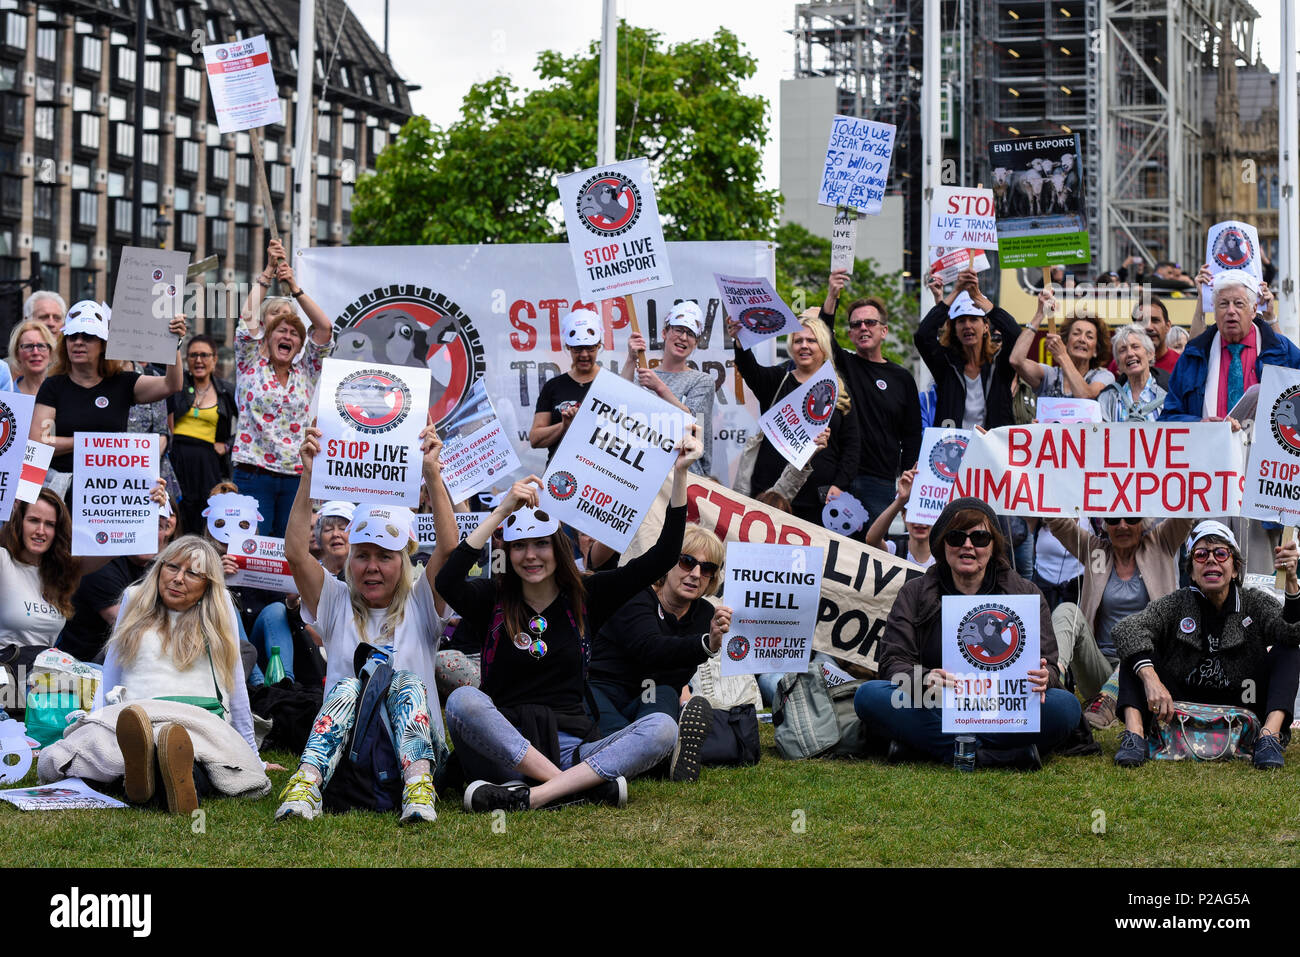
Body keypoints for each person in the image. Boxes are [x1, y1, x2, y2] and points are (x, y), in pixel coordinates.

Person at [436, 426, 702, 813]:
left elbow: (662, 558)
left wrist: (680, 474)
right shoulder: (492, 597)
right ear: (508, 554)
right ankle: (577, 788)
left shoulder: (587, 595)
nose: (531, 556)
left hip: (575, 747)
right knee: (463, 700)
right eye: (520, 546)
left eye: (541, 543)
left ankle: (535, 795)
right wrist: (501, 511)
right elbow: (447, 580)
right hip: (502, 747)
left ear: (558, 547)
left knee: (663, 727)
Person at [273, 420, 454, 825]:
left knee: (403, 680)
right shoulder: (335, 601)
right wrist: (307, 475)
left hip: (420, 758)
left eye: (385, 556)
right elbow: (296, 553)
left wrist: (431, 473)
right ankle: (306, 785)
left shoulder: (421, 600)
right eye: (363, 555)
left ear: (402, 561)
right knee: (350, 686)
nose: (372, 567)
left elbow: (449, 548)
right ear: (349, 560)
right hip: (350, 758)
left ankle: (418, 788)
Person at [853, 497, 1081, 768]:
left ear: (993, 545)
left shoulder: (1026, 593)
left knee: (1065, 706)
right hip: (936, 703)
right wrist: (925, 679)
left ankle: (933, 748)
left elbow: (1050, 667)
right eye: (956, 537)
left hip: (1002, 708)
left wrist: (1046, 677)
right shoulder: (914, 593)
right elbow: (892, 664)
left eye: (980, 538)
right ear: (942, 543)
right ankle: (1000, 757)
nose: (968, 546)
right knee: (869, 696)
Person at [94, 535, 265, 812]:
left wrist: (252, 756)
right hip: (138, 718)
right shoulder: (134, 597)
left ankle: (143, 779)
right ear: (159, 567)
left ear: (208, 585)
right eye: (172, 567)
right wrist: (98, 724)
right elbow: (111, 673)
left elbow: (234, 683)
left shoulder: (220, 603)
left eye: (193, 574)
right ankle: (163, 776)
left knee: (188, 753)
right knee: (111, 751)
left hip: (198, 722)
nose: (178, 578)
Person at [1111, 521, 1300, 770]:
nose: (1211, 560)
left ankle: (1269, 738)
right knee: (1136, 651)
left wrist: (1292, 582)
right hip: (1180, 701)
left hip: (1244, 698)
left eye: (1221, 553)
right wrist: (1151, 679)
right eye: (1201, 555)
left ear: (1235, 569)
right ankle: (1135, 736)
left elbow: (1291, 631)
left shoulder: (1254, 602)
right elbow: (1127, 629)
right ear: (1191, 571)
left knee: (1289, 649)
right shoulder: (1175, 604)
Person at [587, 523, 732, 782]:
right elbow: (648, 649)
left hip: (651, 692)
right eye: (687, 562)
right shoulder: (634, 594)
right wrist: (705, 645)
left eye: (707, 568)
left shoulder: (705, 615)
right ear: (666, 562)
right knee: (618, 736)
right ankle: (661, 758)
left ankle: (655, 752)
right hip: (604, 688)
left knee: (665, 691)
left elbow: (675, 676)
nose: (696, 574)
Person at [1044, 514, 1194, 728]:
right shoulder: (1095, 550)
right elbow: (1058, 523)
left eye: (1131, 519)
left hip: (1148, 671)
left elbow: (1186, 515)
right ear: (1105, 524)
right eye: (1113, 519)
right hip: (1101, 669)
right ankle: (1051, 680)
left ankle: (1109, 701)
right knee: (1068, 610)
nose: (1122, 525)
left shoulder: (1161, 543)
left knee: (1137, 631)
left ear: (1144, 522)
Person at [232, 239, 334, 537]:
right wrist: (268, 272)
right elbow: (247, 318)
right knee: (252, 552)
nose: (287, 334)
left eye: (294, 333)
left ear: (301, 344)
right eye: (280, 329)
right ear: (266, 334)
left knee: (289, 553)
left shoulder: (307, 370)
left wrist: (293, 286)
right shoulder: (249, 362)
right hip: (253, 473)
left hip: (295, 477)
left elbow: (324, 328)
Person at [729, 312, 860, 527]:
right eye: (798, 340)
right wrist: (739, 338)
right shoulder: (776, 381)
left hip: (819, 500)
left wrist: (839, 485)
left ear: (824, 347)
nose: (804, 346)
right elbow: (748, 367)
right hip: (771, 495)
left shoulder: (840, 391)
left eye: (811, 340)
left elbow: (852, 446)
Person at [31, 301, 186, 478]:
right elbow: (39, 441)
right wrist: (88, 442)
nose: (78, 342)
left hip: (108, 488)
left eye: (88, 336)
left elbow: (172, 384)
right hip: (62, 485)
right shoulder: (53, 386)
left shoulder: (122, 382)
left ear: (103, 344)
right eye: (72, 336)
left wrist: (174, 344)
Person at [819, 270, 923, 525]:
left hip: (880, 480)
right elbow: (823, 331)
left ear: (884, 330)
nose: (863, 328)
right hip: (839, 478)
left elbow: (911, 436)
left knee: (875, 551)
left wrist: (907, 481)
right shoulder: (844, 363)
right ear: (850, 333)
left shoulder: (902, 378)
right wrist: (833, 295)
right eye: (855, 324)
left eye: (870, 323)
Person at [1162, 270, 1300, 423]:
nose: (1231, 311)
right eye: (1223, 304)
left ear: (1254, 310)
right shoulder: (1193, 356)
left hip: (1266, 445)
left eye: (1239, 304)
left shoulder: (1283, 351)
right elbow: (1168, 417)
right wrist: (1198, 425)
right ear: (1214, 311)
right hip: (1210, 444)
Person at [56, 496, 179, 663]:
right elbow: (128, 625)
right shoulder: (102, 567)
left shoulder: (157, 566)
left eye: (157, 527)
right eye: (142, 525)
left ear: (166, 534)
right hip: (83, 666)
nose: (148, 535)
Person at [915, 269, 1022, 431]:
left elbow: (1014, 334)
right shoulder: (946, 366)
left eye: (973, 319)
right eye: (961, 321)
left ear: (986, 326)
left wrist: (978, 297)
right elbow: (922, 336)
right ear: (954, 329)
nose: (967, 326)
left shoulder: (999, 365)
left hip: (993, 451)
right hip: (953, 449)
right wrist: (957, 290)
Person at [623, 300, 715, 476]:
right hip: (641, 473)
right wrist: (630, 359)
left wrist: (660, 388)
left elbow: (695, 424)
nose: (683, 337)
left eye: (690, 333)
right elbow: (617, 406)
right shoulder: (640, 377)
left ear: (695, 343)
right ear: (664, 333)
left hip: (684, 478)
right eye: (679, 329)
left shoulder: (702, 381)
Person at [168, 334, 237, 536]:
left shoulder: (226, 390)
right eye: (193, 355)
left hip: (208, 461)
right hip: (177, 457)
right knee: (177, 514)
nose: (199, 360)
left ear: (215, 359)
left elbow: (248, 423)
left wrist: (227, 445)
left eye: (204, 355)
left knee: (207, 515)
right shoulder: (177, 386)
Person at [1009, 289, 1113, 400]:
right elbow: (1016, 360)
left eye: (1089, 337)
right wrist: (1040, 314)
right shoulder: (1049, 375)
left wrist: (1063, 356)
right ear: (1066, 343)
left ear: (1096, 350)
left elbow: (1086, 396)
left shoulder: (1103, 376)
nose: (1082, 339)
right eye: (1076, 333)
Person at [530, 307, 603, 464]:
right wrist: (564, 426)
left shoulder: (610, 385)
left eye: (589, 348)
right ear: (568, 347)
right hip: (561, 476)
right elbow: (535, 439)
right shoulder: (553, 386)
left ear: (599, 346)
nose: (584, 355)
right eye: (577, 349)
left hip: (599, 477)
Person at [863, 469, 933, 568]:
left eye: (925, 515)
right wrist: (901, 499)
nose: (920, 522)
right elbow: (872, 540)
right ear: (903, 516)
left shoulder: (944, 554)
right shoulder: (896, 548)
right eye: (914, 513)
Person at [1097, 324, 1167, 422]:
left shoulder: (1169, 394)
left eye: (1135, 347)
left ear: (1150, 354)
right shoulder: (1107, 398)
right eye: (1122, 350)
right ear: (1118, 364)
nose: (1130, 354)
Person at [8, 319, 53, 396]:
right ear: (17, 354)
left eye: (41, 346)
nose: (35, 352)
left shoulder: (62, 392)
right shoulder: (7, 395)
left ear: (50, 353)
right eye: (28, 346)